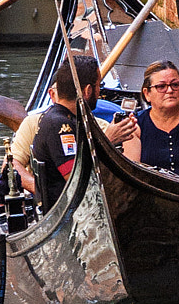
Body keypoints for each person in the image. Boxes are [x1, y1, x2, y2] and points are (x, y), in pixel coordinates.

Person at [30, 55, 138, 210]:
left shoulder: (70, 118)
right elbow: (75, 178)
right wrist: (108, 141)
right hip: (69, 212)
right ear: (87, 90)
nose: (99, 91)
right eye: (99, 85)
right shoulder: (60, 125)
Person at [122, 58, 179, 174]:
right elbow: (132, 174)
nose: (170, 90)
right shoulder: (135, 126)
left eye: (175, 85)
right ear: (147, 93)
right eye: (161, 87)